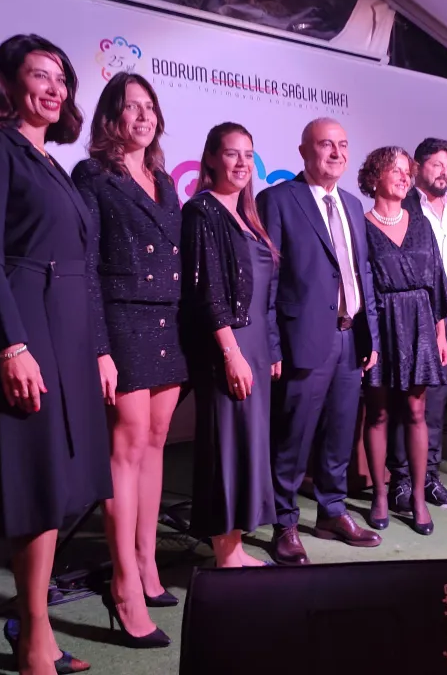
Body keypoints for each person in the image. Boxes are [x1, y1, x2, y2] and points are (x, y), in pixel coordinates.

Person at [0, 34, 112, 675]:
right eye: (39, 75)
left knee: (55, 485)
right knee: (31, 483)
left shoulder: (54, 165)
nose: (54, 88)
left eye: (61, 78)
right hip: (24, 325)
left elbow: (82, 265)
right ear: (9, 84)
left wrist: (97, 349)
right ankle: (33, 640)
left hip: (67, 331)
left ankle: (36, 631)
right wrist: (11, 344)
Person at [71, 72, 182, 646]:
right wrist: (99, 347)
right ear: (111, 117)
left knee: (156, 442)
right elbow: (86, 267)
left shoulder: (165, 181)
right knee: (128, 446)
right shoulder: (92, 175)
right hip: (122, 321)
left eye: (149, 107)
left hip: (167, 320)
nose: (143, 116)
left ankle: (147, 563)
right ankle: (122, 586)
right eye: (131, 107)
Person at [257, 117, 382, 566]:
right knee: (293, 436)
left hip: (350, 337)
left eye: (342, 145)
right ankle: (285, 522)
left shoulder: (351, 204)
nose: (336, 153)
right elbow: (267, 282)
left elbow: (362, 273)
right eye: (326, 144)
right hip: (303, 339)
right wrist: (272, 345)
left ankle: (332, 511)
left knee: (340, 432)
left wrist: (371, 335)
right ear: (303, 151)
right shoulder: (277, 200)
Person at [181, 122, 281, 567]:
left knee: (248, 444)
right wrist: (231, 352)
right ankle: (224, 553)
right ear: (210, 158)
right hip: (228, 345)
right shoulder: (201, 211)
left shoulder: (248, 215)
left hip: (254, 344)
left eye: (248, 154)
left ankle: (236, 546)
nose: (242, 163)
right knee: (225, 445)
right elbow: (208, 291)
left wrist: (269, 349)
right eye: (231, 153)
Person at [359, 146, 447, 535]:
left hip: (419, 323)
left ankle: (417, 498)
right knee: (378, 413)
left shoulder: (421, 224)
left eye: (406, 171)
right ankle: (381, 495)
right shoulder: (360, 225)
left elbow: (437, 281)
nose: (403, 177)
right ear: (374, 177)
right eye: (394, 170)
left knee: (416, 412)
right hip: (379, 323)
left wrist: (441, 334)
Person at [387, 138, 447, 514]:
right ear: (417, 167)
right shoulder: (403, 206)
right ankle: (401, 481)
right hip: (412, 314)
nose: (444, 172)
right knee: (408, 402)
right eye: (436, 164)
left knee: (436, 402)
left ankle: (429, 476)